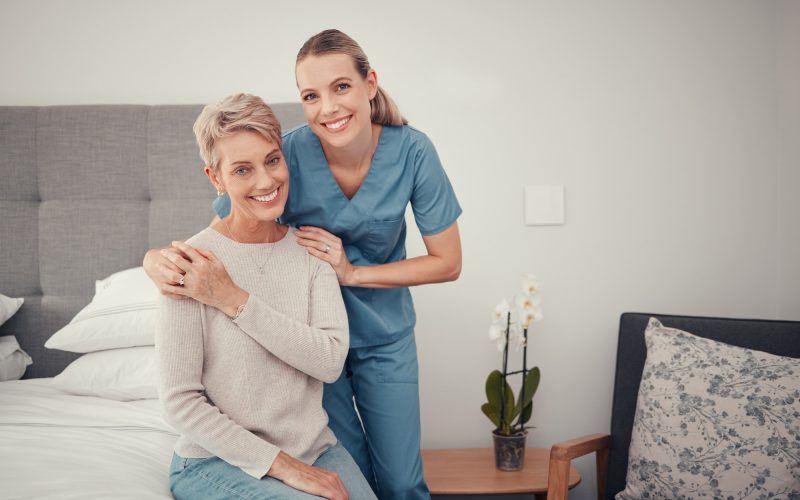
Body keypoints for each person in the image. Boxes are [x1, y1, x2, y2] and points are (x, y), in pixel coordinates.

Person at [146, 29, 462, 499]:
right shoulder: (287, 151)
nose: (328, 108)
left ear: (369, 84)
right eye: (311, 95)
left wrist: (353, 273)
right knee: (343, 466)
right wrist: (155, 261)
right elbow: (233, 228)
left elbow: (448, 262)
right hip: (307, 353)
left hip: (381, 334)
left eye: (341, 87)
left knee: (401, 481)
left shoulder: (413, 152)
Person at [156, 93, 376, 500]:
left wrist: (235, 300)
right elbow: (179, 402)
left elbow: (329, 361)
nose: (265, 182)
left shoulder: (312, 252)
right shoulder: (191, 265)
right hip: (212, 460)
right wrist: (283, 467)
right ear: (215, 178)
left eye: (272, 160)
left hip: (314, 449)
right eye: (242, 170)